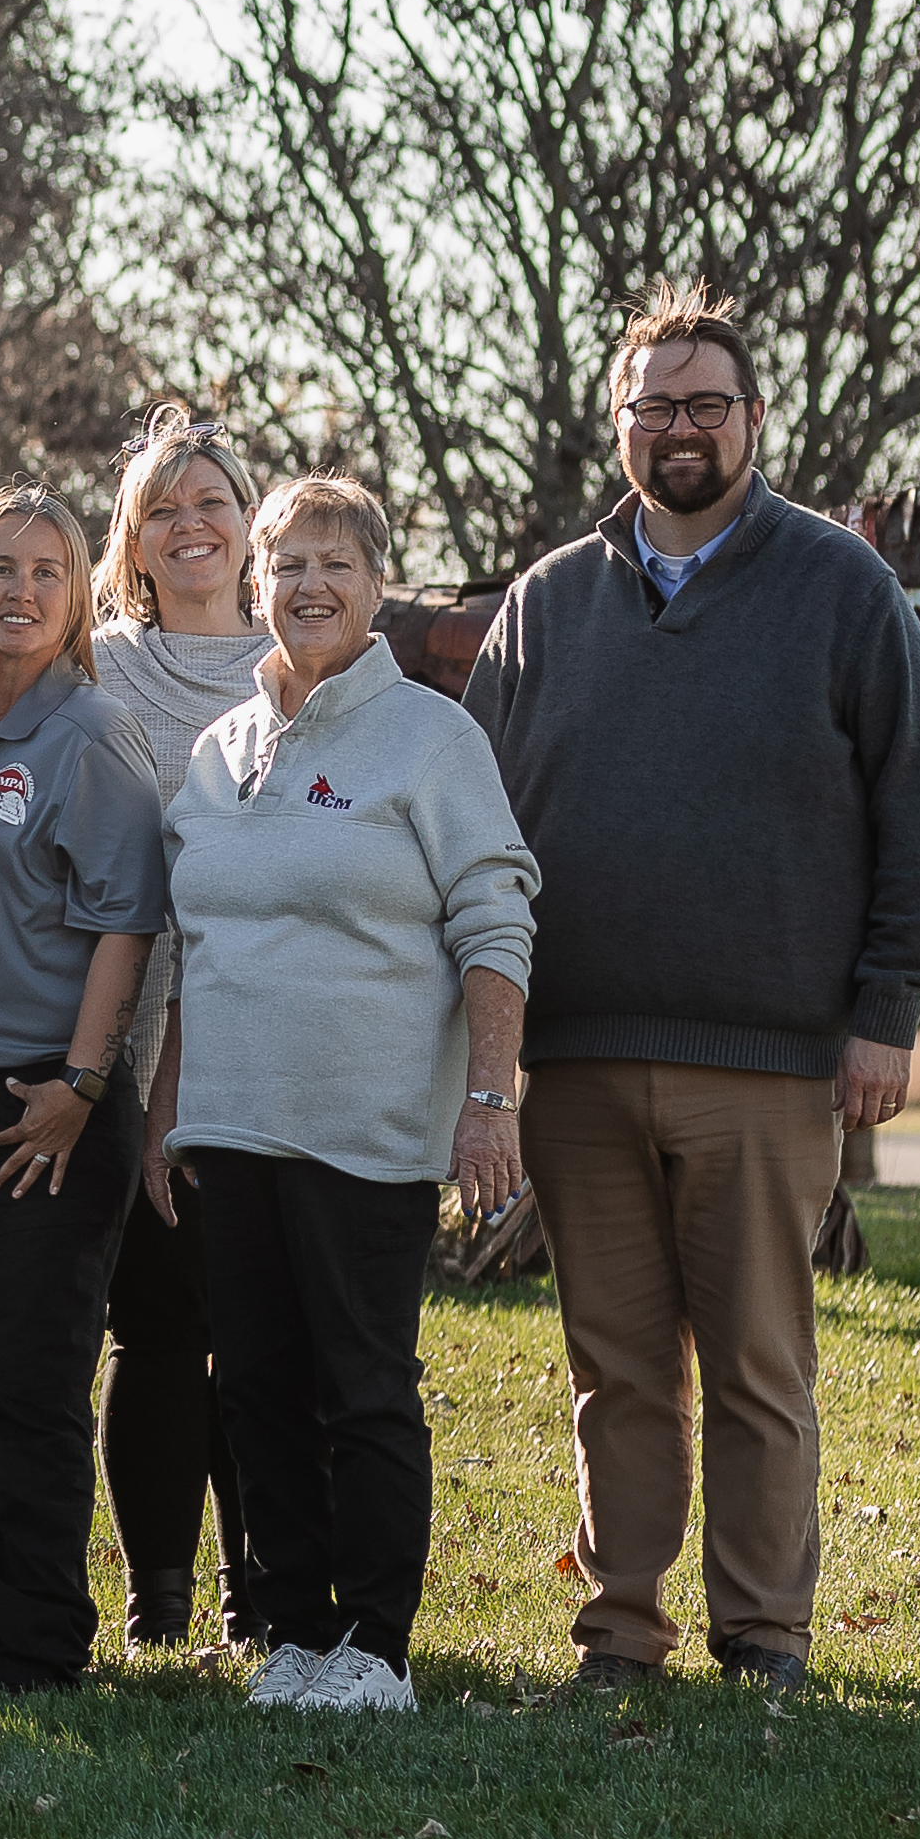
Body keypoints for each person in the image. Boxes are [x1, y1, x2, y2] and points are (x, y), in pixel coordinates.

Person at [465, 292, 920, 1698]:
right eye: (653, 404)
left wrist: (884, 1007)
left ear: (751, 420)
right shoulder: (543, 603)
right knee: (611, 1368)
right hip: (573, 1055)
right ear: (614, 423)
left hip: (764, 1055)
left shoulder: (837, 586)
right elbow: (477, 834)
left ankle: (763, 1634)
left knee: (755, 1364)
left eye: (704, 404)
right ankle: (618, 1629)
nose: (678, 427)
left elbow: (918, 808)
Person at [157, 474, 536, 1719]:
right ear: (254, 582)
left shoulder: (431, 738)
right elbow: (183, 943)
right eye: (286, 564)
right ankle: (293, 1629)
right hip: (230, 1125)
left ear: (377, 585)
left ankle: (376, 1644)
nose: (308, 584)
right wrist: (164, 1111)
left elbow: (493, 916)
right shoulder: (220, 749)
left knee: (361, 1382)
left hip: (365, 1133)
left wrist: (489, 1095)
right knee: (252, 1383)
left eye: (336, 562)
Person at [0, 491, 170, 1695]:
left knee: (28, 1374)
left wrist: (79, 1081)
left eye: (45, 571)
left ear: (75, 597)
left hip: (44, 1106)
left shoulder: (86, 734)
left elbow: (126, 922)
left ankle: (35, 1639)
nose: (18, 589)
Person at [91, 415, 269, 1648]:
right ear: (132, 541)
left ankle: (257, 1595)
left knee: (254, 1333)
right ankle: (156, 1601)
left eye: (211, 497)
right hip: (112, 1046)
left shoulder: (301, 662)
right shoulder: (91, 667)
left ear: (251, 524)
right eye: (162, 505)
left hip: (263, 1048)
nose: (189, 519)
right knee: (150, 1333)